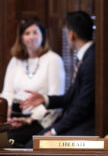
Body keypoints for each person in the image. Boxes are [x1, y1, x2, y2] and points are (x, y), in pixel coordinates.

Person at [21, 10, 95, 147]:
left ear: (72, 35)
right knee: (29, 143)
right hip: (73, 121)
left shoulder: (91, 60)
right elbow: (70, 97)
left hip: (86, 126)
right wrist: (45, 99)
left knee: (33, 145)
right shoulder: (86, 57)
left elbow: (82, 107)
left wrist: (55, 131)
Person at [1, 18, 65, 147]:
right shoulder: (15, 60)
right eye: (27, 33)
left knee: (6, 142)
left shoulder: (53, 60)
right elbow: (7, 92)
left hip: (38, 120)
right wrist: (6, 118)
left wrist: (29, 119)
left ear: (42, 35)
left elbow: (56, 97)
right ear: (21, 38)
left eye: (35, 32)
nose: (31, 37)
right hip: (12, 118)